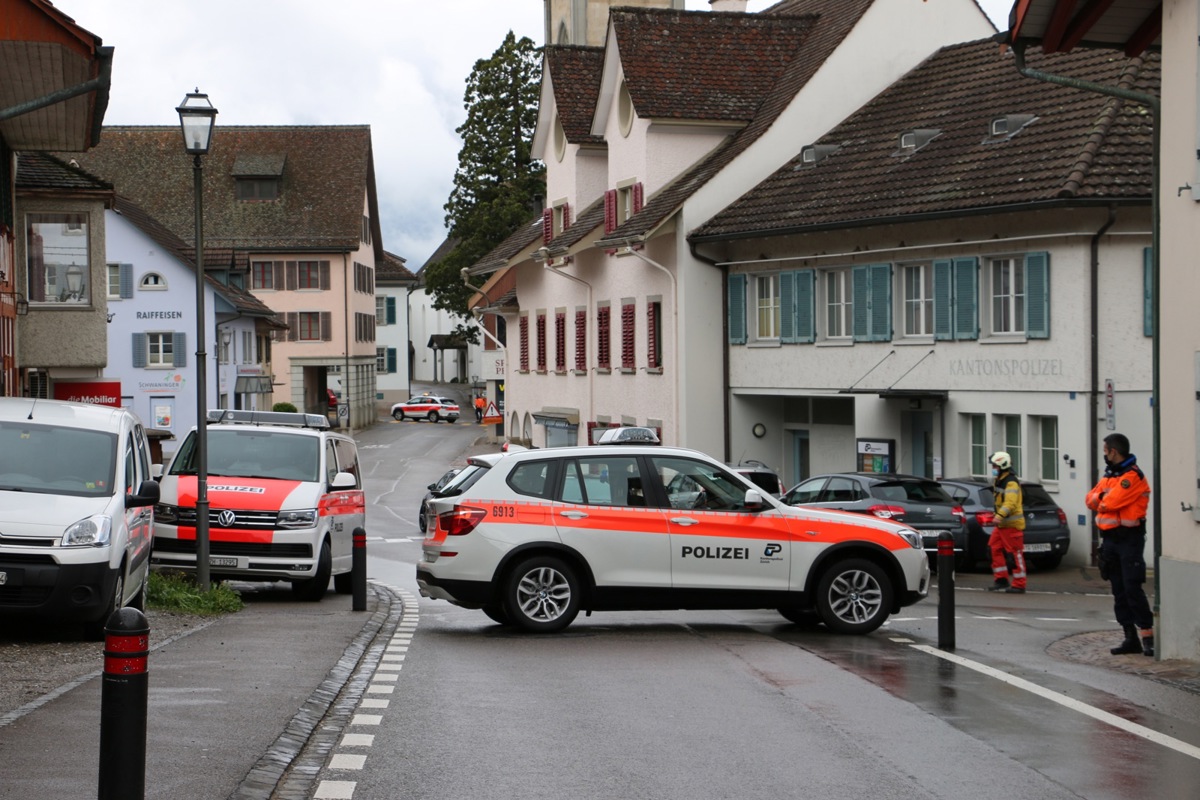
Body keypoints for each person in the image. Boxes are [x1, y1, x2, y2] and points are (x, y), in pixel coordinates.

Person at [1086, 433, 1154, 656]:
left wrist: (1102, 499)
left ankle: (1147, 637)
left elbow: (1110, 502)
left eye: (1105, 451)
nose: (1104, 455)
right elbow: (1090, 499)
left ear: (1113, 452)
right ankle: (1129, 637)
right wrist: (1103, 498)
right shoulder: (1109, 476)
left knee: (1132, 587)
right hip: (1110, 541)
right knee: (1118, 590)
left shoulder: (1132, 476)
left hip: (1129, 539)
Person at [986, 451, 1026, 594]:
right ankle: (1001, 580)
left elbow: (1010, 503)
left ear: (1002, 465)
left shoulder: (1011, 482)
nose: (993, 468)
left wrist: (999, 515)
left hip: (1011, 526)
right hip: (1002, 525)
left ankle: (1019, 584)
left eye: (995, 465)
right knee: (993, 549)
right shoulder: (1000, 480)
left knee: (1015, 555)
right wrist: (997, 515)